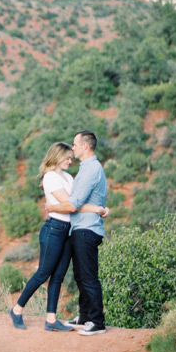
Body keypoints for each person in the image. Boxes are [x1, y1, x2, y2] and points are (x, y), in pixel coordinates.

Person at [9, 142, 108, 332]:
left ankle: (51, 319)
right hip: (53, 229)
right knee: (43, 273)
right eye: (67, 158)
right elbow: (71, 204)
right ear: (57, 156)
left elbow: (77, 202)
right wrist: (97, 209)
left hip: (68, 230)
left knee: (58, 276)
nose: (71, 161)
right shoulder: (50, 178)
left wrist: (97, 207)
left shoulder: (69, 177)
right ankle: (17, 309)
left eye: (71, 157)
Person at [45, 130, 109, 336]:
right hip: (80, 227)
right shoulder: (86, 169)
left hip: (87, 228)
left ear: (85, 146)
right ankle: (85, 315)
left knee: (88, 276)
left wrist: (52, 208)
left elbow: (74, 204)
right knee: (81, 275)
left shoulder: (91, 169)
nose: (72, 148)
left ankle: (97, 321)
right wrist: (99, 208)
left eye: (75, 144)